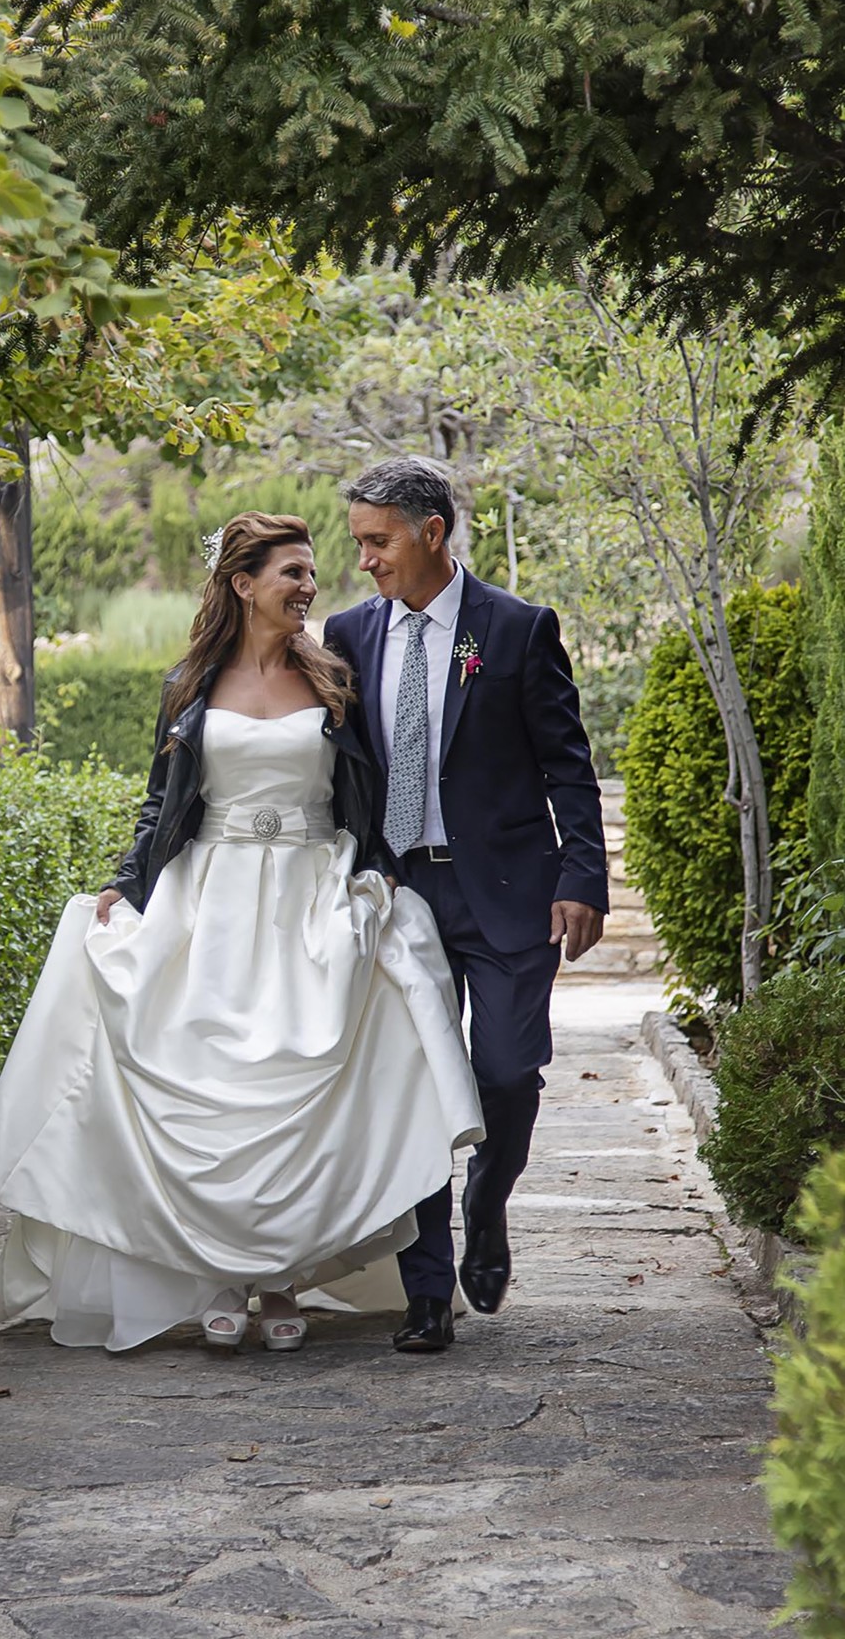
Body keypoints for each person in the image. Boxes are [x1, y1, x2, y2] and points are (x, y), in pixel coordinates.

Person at [0, 512, 484, 1353]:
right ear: (243, 584)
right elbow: (162, 804)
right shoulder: (188, 686)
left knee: (296, 1096)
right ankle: (222, 1278)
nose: (310, 587)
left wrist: (378, 869)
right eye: (293, 574)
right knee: (213, 1088)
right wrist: (127, 885)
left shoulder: (333, 677)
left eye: (312, 574)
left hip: (313, 900)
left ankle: (280, 1283)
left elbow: (368, 794)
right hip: (214, 902)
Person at [324, 457, 609, 1354]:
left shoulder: (516, 630)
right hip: (402, 894)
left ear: (432, 534)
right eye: (360, 543)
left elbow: (568, 761)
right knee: (416, 1090)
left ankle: (488, 1196)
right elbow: (342, 772)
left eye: (379, 542)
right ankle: (426, 1293)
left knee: (505, 1072)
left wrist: (581, 879)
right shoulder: (348, 633)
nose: (365, 560)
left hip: (509, 888)